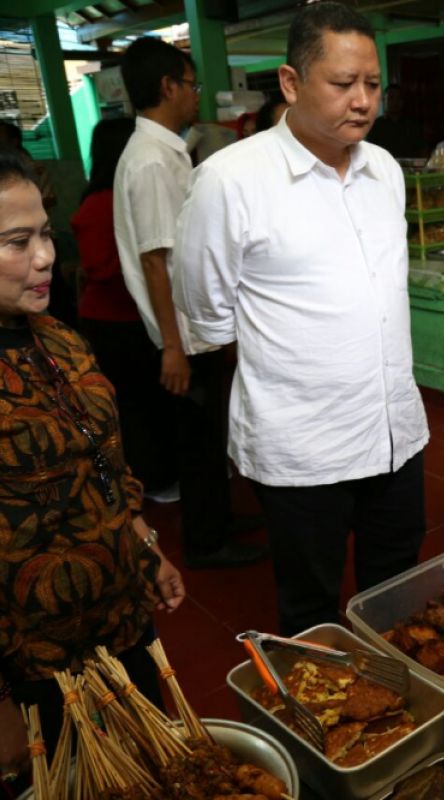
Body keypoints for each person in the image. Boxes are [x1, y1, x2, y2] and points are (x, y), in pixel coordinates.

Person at [174, 2, 429, 635]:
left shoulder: (385, 170)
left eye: (372, 84)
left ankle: (402, 711)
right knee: (311, 610)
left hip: (395, 432)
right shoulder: (231, 181)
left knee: (398, 595)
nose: (363, 100)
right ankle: (320, 729)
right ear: (291, 83)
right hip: (302, 449)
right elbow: (207, 314)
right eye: (343, 84)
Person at [0, 150, 185, 784]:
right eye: (18, 242)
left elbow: (102, 461)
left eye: (45, 234)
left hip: (119, 620)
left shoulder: (57, 336)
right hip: (34, 657)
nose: (46, 256)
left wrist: (144, 543)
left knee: (158, 771)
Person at [114, 37, 265, 569]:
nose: (196, 95)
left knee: (209, 435)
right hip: (182, 334)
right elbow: (157, 262)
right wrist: (173, 348)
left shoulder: (166, 152)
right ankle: (207, 542)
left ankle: (220, 519)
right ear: (167, 86)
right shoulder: (151, 161)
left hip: (192, 328)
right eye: (192, 84)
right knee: (199, 443)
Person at [72, 117, 176, 501]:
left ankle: (157, 476)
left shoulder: (102, 196)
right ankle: (155, 480)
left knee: (141, 404)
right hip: (117, 320)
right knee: (138, 406)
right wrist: (146, 268)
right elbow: (102, 267)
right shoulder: (104, 202)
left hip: (119, 318)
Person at [365, 83, 426, 158]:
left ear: (403, 101)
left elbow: (422, 149)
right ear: (384, 101)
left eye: (398, 98)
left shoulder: (412, 124)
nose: (395, 102)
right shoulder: (376, 125)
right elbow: (369, 151)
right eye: (391, 98)